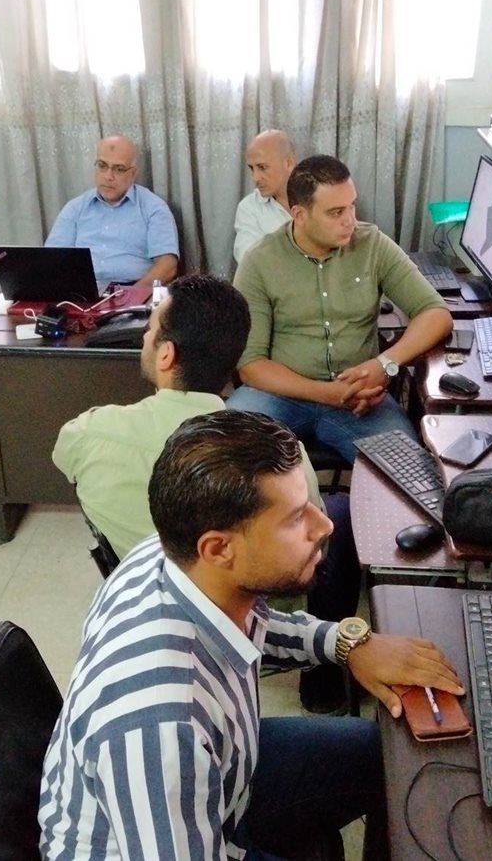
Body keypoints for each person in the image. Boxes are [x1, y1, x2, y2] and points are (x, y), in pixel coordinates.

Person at [39, 409, 465, 861]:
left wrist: (347, 644)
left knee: (383, 754)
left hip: (224, 780)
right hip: (170, 839)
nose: (325, 527)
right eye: (296, 518)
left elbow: (254, 625)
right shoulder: (161, 727)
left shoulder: (173, 555)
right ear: (219, 548)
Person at [52, 274, 361, 713]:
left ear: (166, 354)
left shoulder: (88, 434)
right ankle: (323, 686)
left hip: (159, 601)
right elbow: (310, 548)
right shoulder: (275, 456)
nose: (144, 337)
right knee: (340, 514)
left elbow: (65, 460)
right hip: (254, 609)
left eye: (149, 330)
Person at [228, 155, 453, 463]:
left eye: (352, 206)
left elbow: (435, 313)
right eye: (336, 212)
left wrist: (385, 364)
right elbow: (251, 365)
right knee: (223, 459)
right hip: (278, 396)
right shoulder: (260, 260)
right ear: (299, 215)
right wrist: (328, 393)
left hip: (361, 399)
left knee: (408, 472)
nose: (350, 220)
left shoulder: (372, 244)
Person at [45, 135, 179, 291]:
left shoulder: (153, 208)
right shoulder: (75, 208)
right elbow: (52, 260)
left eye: (119, 169)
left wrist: (132, 295)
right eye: (102, 166)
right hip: (81, 292)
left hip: (133, 289)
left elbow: (167, 266)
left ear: (133, 174)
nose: (108, 176)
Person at [233, 129, 295, 264]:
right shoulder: (249, 208)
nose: (255, 178)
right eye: (251, 168)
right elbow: (248, 261)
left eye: (262, 167)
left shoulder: (319, 197)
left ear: (288, 163)